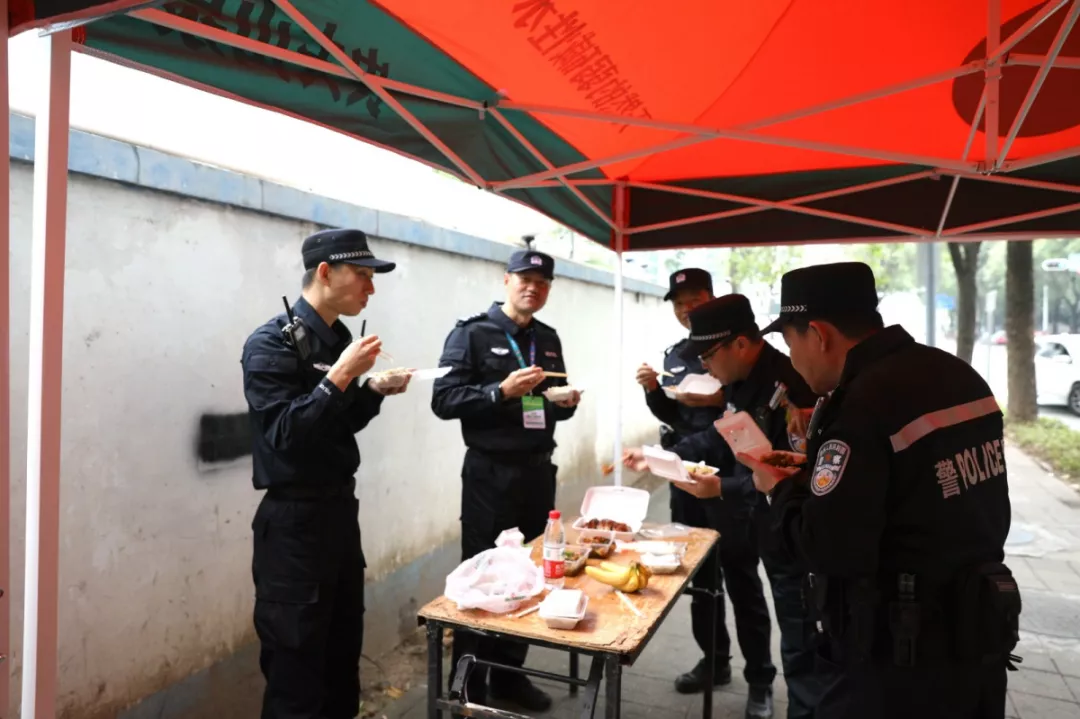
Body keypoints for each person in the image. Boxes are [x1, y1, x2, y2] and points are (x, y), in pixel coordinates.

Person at [757, 262, 1019, 719]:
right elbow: (919, 488)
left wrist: (778, 490)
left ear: (818, 334)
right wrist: (816, 475)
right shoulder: (958, 375)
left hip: (898, 660)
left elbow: (828, 548)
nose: (792, 359)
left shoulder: (861, 404)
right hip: (977, 634)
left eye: (790, 342)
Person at [241, 228, 411, 719]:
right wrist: (340, 376)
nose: (370, 288)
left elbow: (338, 425)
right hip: (293, 527)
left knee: (340, 663)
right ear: (325, 272)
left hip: (338, 517)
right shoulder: (271, 342)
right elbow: (283, 434)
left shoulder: (337, 339)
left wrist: (371, 391)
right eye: (362, 275)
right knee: (296, 676)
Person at [629, 293, 824, 718]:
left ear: (740, 343)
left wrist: (724, 488)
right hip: (743, 509)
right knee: (728, 589)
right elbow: (723, 433)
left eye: (708, 355)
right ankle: (735, 671)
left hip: (786, 524)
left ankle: (770, 689)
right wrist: (665, 456)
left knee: (797, 631)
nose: (704, 367)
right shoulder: (738, 377)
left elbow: (791, 475)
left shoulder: (793, 385)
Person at [431, 249, 581, 711]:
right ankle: (466, 688)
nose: (533, 287)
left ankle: (509, 679)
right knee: (484, 576)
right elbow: (444, 400)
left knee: (531, 572)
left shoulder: (548, 338)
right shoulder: (471, 333)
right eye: (524, 278)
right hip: (490, 475)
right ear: (506, 280)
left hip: (538, 471)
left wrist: (565, 402)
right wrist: (500, 391)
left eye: (542, 281)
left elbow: (550, 406)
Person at [635, 270, 777, 702]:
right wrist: (654, 393)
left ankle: (760, 681)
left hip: (733, 483)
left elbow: (737, 424)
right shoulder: (678, 354)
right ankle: (713, 662)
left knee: (742, 582)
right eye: (678, 303)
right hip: (689, 476)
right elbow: (678, 418)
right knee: (699, 581)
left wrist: (719, 400)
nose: (685, 310)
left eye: (693, 301)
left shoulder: (746, 358)